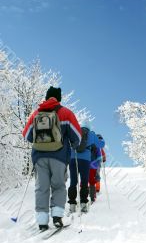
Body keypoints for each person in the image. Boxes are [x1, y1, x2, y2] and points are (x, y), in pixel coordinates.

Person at [22, 86, 82, 230]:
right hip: (59, 157)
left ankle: (42, 221)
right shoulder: (66, 113)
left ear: (47, 97)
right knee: (58, 186)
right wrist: (73, 143)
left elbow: (26, 135)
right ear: (59, 98)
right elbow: (77, 136)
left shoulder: (36, 113)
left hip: (39, 157)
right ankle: (56, 217)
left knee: (41, 188)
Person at [68, 121, 105, 212]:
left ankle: (72, 204)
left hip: (73, 159)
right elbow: (101, 144)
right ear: (89, 127)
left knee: (73, 182)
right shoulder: (92, 135)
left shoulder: (75, 132)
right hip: (85, 161)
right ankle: (83, 204)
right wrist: (101, 139)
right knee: (84, 182)